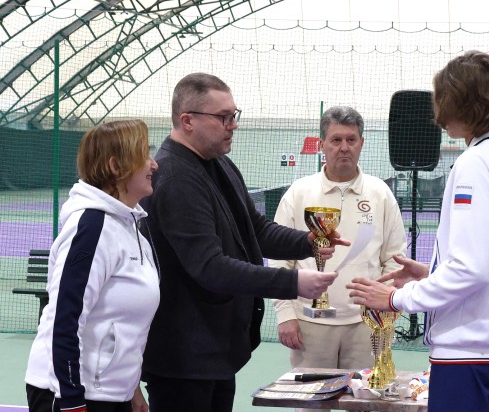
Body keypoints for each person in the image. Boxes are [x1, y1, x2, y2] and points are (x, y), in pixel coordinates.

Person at [139, 72, 346, 412]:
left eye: (234, 115)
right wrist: (292, 282)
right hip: (183, 360)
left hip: (213, 351)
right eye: (223, 117)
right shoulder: (176, 178)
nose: (233, 125)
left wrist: (307, 242)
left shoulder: (218, 163)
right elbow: (210, 267)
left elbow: (256, 230)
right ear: (187, 121)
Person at [347, 50, 489, 412]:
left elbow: (470, 269)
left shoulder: (474, 164)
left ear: (462, 102)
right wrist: (431, 272)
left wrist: (395, 299)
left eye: (444, 101)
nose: (439, 115)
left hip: (466, 353)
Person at [269, 105, 407, 410]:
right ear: (322, 144)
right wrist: (286, 315)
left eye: (351, 139)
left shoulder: (381, 194)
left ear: (361, 143)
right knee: (311, 407)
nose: (344, 147)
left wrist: (384, 309)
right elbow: (280, 261)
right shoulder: (298, 193)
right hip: (310, 326)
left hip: (366, 326)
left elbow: (395, 259)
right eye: (336, 140)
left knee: (367, 405)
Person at [25, 119, 160, 412]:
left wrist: (131, 389)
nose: (154, 164)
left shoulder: (130, 228)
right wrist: (71, 402)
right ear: (116, 166)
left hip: (111, 393)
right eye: (145, 155)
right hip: (70, 394)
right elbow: (65, 319)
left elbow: (120, 320)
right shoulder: (91, 229)